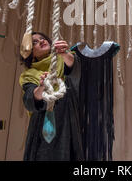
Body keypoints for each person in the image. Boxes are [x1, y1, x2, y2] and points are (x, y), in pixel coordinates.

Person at [19, 32, 84, 161]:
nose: (41, 41)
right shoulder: (29, 75)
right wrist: (42, 86)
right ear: (31, 55)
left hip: (67, 120)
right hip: (43, 125)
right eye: (35, 42)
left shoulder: (63, 59)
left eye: (42, 39)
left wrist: (64, 53)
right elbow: (30, 99)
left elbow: (75, 70)